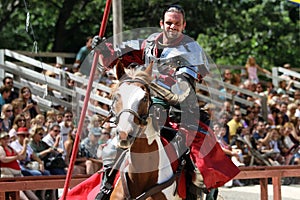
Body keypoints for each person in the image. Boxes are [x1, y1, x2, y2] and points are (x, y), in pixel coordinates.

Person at [92, 4, 239, 200]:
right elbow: (124, 57)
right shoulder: (150, 43)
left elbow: (182, 89)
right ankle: (107, 186)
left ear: (183, 26)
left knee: (201, 160)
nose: (172, 27)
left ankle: (201, 195)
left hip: (179, 110)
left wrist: (149, 82)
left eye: (176, 24)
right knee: (116, 144)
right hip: (148, 106)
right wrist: (104, 48)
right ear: (162, 24)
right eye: (169, 23)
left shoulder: (191, 50)